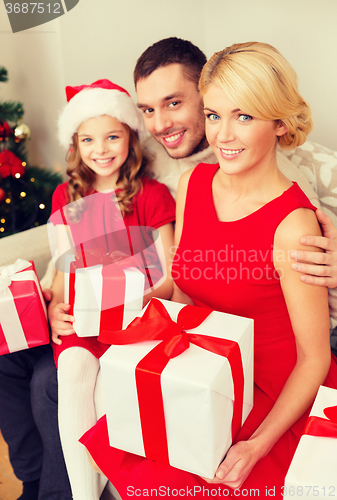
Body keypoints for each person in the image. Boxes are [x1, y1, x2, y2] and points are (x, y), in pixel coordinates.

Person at [79, 41, 337, 499]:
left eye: (244, 116)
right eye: (215, 115)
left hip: (273, 392)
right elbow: (184, 291)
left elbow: (314, 358)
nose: (223, 136)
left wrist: (257, 445)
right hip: (211, 368)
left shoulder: (294, 225)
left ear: (280, 123)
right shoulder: (191, 183)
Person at [47, 79, 175, 500]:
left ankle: (121, 490)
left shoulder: (153, 196)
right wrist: (56, 310)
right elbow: (64, 269)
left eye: (112, 136)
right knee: (73, 372)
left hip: (135, 317)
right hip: (83, 318)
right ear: (76, 145)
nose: (100, 149)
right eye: (88, 139)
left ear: (130, 137)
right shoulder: (66, 196)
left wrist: (135, 295)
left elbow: (170, 278)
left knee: (111, 387)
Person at [134, 37, 337, 300]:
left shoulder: (280, 181)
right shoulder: (148, 157)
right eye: (148, 110)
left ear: (206, 92)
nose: (160, 125)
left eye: (173, 103)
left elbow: (312, 281)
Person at [0, 341, 72, 500]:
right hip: (55, 331)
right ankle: (34, 480)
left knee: (46, 380)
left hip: (95, 335)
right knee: (4, 359)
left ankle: (56, 494)